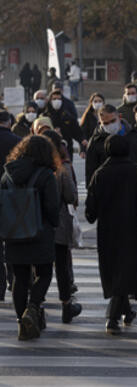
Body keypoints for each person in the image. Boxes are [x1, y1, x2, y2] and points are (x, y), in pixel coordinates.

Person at [2, 135, 60, 340]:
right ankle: (33, 308)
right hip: (40, 231)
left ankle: (21, 322)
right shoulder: (46, 175)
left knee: (19, 277)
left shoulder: (8, 173)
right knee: (44, 274)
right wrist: (54, 224)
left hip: (13, 233)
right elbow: (53, 207)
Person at [42, 130, 81, 324]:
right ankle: (66, 305)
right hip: (58, 225)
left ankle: (35, 306)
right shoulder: (62, 168)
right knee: (62, 268)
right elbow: (71, 196)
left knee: (39, 269)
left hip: (37, 227)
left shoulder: (34, 167)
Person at [84, 104, 137, 188]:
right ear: (100, 122)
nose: (110, 125)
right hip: (107, 189)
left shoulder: (134, 135)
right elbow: (90, 170)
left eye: (113, 121)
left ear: (119, 117)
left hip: (132, 187)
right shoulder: (96, 141)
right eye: (105, 123)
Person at [0, 110, 21, 303]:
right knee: (12, 243)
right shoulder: (17, 141)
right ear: (9, 122)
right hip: (11, 196)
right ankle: (14, 281)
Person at [43, 89, 86, 158]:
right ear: (50, 101)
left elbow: (77, 132)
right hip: (49, 151)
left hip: (66, 150)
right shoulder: (44, 117)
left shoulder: (67, 116)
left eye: (59, 99)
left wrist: (82, 141)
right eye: (54, 99)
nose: (57, 101)